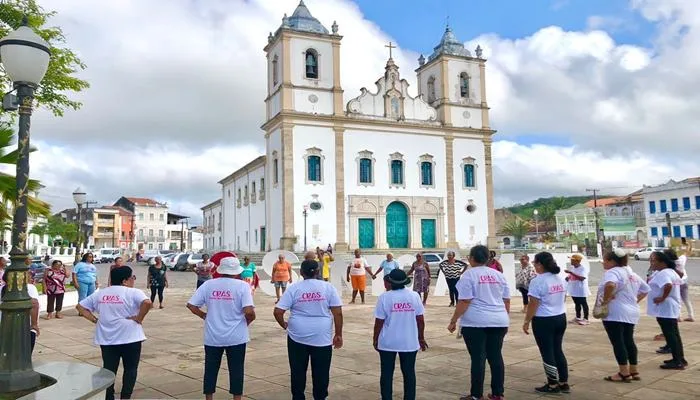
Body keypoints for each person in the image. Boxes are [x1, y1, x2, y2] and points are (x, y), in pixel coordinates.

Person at [76, 266, 152, 400]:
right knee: (130, 369)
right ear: (124, 280)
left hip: (107, 338)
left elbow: (80, 307)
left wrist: (95, 320)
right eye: (132, 277)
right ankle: (125, 397)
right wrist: (139, 318)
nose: (133, 280)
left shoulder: (101, 293)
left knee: (109, 370)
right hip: (131, 337)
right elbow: (147, 303)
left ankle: (109, 396)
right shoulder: (133, 292)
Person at [187, 257, 256, 400]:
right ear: (236, 272)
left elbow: (192, 305)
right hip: (236, 336)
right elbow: (249, 311)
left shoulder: (208, 285)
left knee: (211, 369)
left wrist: (205, 316)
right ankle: (237, 398)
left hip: (213, 336)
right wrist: (248, 321)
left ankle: (209, 397)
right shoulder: (242, 286)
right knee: (236, 369)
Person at [273, 259, 343, 400]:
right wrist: (338, 334)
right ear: (317, 271)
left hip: (297, 335)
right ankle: (320, 396)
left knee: (297, 370)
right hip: (321, 336)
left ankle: (298, 396)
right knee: (321, 371)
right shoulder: (328, 288)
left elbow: (278, 312)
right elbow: (338, 313)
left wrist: (285, 325)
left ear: (301, 272)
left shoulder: (294, 288)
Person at [447, 245, 510, 400]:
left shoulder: (469, 276)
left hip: (476, 323)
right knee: (495, 357)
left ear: (471, 258)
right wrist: (504, 318)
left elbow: (464, 301)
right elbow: (506, 300)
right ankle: (497, 393)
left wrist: (453, 320)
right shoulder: (498, 275)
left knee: (478, 358)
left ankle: (476, 395)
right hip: (499, 321)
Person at [373, 269, 428, 400]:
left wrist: (375, 339)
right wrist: (421, 337)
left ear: (390, 282)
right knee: (409, 373)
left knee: (386, 373)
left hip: (388, 342)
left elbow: (379, 322)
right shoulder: (414, 296)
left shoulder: (384, 297)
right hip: (409, 341)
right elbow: (420, 319)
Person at [597, 248, 649, 382]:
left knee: (618, 342)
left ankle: (623, 372)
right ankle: (634, 370)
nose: (603, 263)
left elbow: (610, 285)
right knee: (629, 340)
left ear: (612, 261)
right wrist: (633, 300)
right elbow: (645, 289)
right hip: (631, 311)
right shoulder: (631, 273)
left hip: (616, 312)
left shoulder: (613, 272)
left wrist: (606, 300)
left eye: (605, 260)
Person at [523, 252, 570, 394]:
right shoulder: (560, 279)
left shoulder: (538, 281)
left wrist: (527, 321)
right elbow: (563, 299)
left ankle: (552, 384)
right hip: (560, 317)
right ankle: (563, 382)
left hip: (544, 320)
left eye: (535, 263)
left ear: (540, 265)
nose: (534, 266)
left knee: (547, 351)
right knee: (557, 350)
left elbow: (533, 304)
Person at [648, 251, 687, 369]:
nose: (651, 263)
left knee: (670, 335)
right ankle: (680, 358)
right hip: (671, 307)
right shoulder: (670, 271)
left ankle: (677, 361)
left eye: (653, 260)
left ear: (662, 262)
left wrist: (662, 298)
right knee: (674, 334)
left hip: (665, 308)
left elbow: (668, 285)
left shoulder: (664, 273)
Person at [1, 270, 40, 352]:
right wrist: (34, 324)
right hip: (25, 327)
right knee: (24, 357)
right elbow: (34, 304)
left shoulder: (2, 289)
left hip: (4, 327)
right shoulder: (30, 288)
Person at [565, 254, 590, 325]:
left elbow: (582, 278)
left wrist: (571, 273)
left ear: (577, 261)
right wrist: (568, 277)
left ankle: (586, 319)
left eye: (572, 260)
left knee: (583, 303)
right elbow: (572, 275)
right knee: (577, 303)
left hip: (581, 289)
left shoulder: (583, 268)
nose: (571, 261)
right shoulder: (573, 267)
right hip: (574, 289)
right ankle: (578, 317)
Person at [673, 244, 695, 322]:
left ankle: (678, 316)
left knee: (677, 299)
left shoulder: (671, 263)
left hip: (677, 282)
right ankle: (691, 315)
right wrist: (689, 246)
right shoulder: (681, 259)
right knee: (686, 299)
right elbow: (687, 252)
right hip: (684, 279)